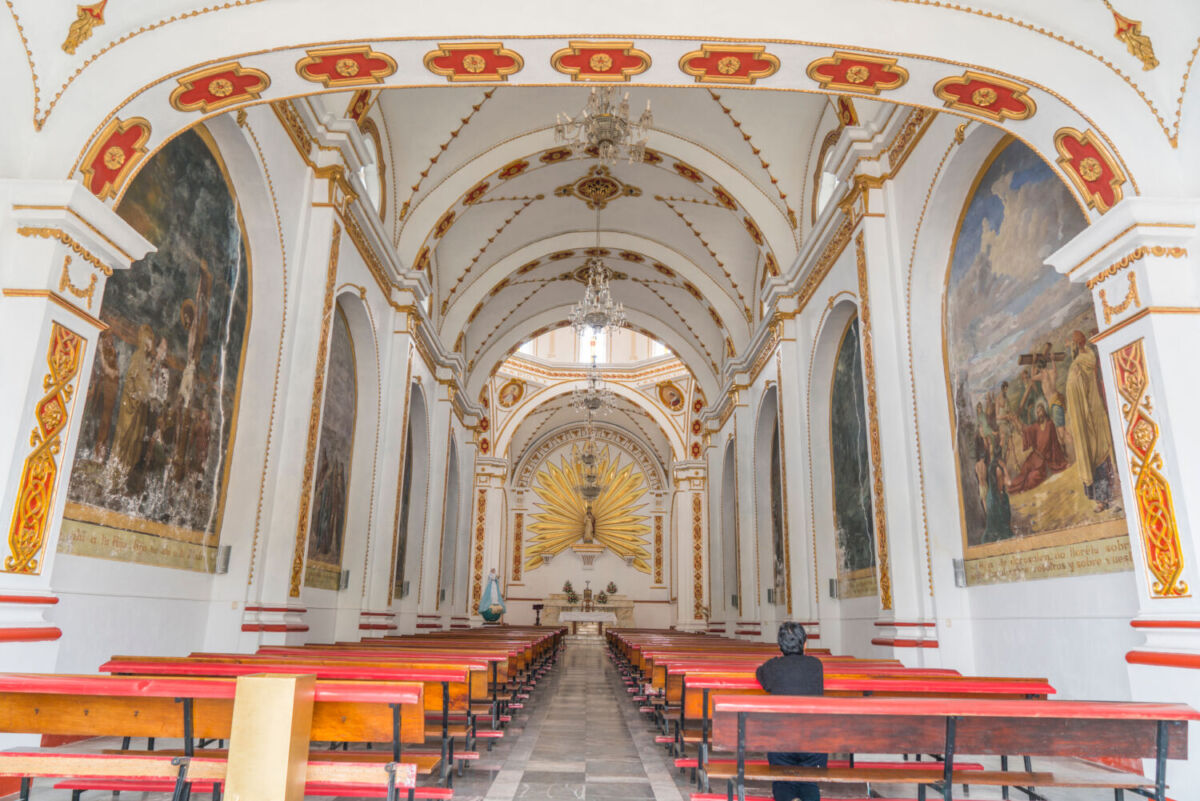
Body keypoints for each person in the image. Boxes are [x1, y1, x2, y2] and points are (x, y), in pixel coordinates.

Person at [755, 622, 826, 801]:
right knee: (810, 782)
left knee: (782, 781)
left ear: (779, 646)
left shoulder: (773, 666)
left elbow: (760, 674)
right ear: (805, 644)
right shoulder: (816, 665)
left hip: (781, 740)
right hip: (813, 741)